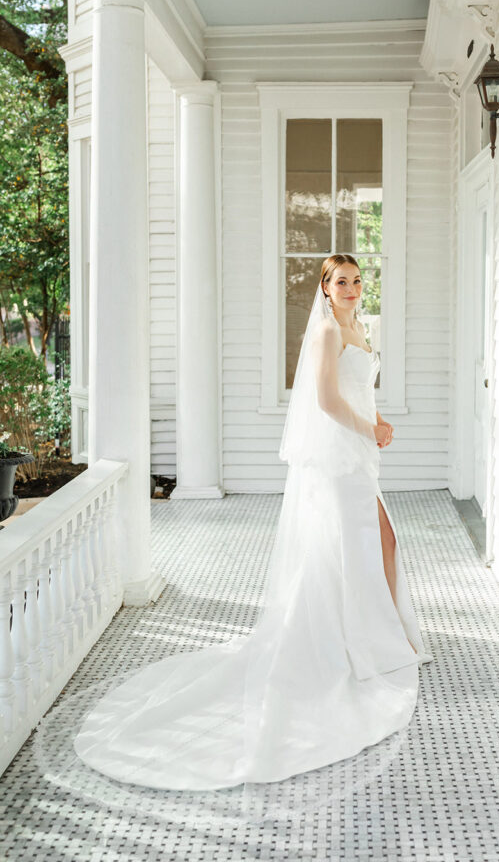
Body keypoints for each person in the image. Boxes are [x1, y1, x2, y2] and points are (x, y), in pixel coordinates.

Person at [73, 253, 432, 790]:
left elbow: (361, 391)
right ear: (325, 288)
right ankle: (359, 644)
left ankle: (381, 635)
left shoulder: (359, 326)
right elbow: (327, 401)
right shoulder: (327, 334)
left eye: (357, 281)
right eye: (342, 282)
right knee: (358, 545)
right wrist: (367, 428)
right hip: (339, 455)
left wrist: (378, 421)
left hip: (361, 453)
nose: (353, 289)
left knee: (379, 541)